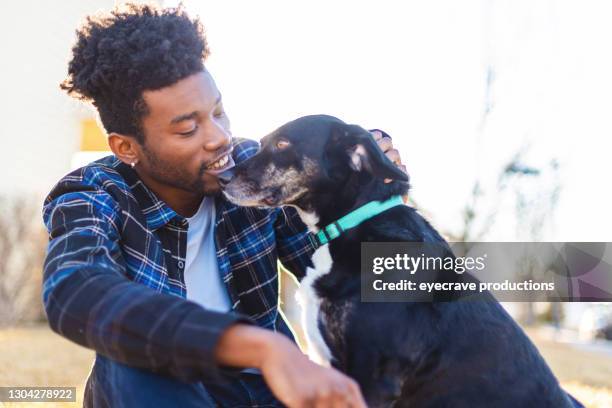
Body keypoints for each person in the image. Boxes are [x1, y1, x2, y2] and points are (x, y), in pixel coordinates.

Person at [43, 3, 406, 407]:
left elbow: (354, 273)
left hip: (267, 392)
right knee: (132, 357)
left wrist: (372, 206)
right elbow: (75, 291)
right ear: (126, 147)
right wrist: (255, 346)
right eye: (187, 128)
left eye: (218, 111)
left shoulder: (255, 174)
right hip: (167, 388)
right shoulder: (94, 193)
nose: (219, 137)